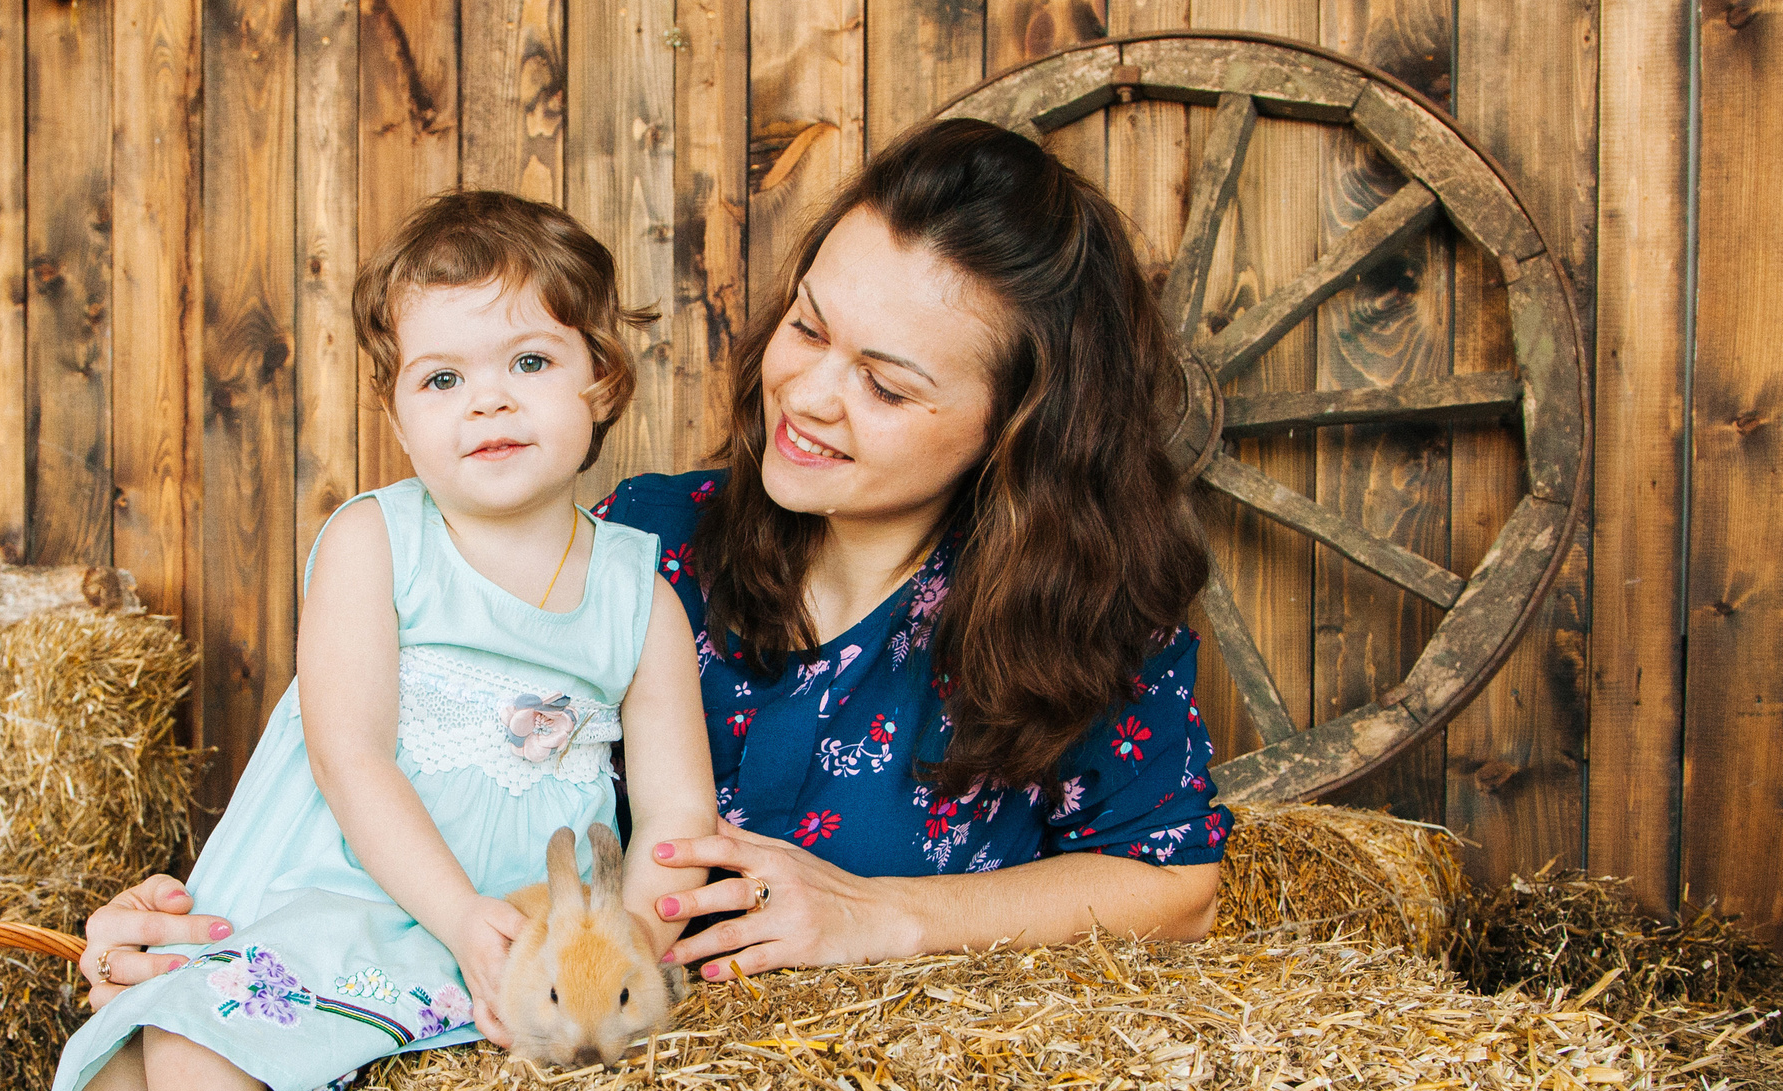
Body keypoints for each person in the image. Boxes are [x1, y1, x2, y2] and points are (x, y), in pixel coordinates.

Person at [82, 118, 1225, 1019]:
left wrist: (887, 918)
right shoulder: (641, 547)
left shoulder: (1093, 618)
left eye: (886, 383)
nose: (811, 396)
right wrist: (209, 929)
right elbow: (405, 774)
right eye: (808, 328)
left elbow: (1174, 886)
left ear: (1020, 425)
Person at [5, 191, 719, 1091]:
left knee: (204, 1043)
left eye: (526, 361)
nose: (486, 402)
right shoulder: (374, 541)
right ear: (400, 416)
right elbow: (350, 753)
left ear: (602, 385)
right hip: (336, 887)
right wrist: (457, 914)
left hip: (494, 925)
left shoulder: (640, 596)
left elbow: (680, 825)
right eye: (441, 378)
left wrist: (598, 958)